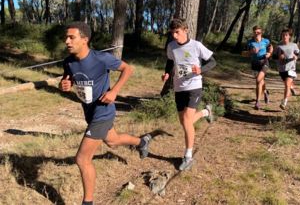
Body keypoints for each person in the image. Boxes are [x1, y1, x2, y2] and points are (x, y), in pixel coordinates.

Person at [59, 22, 152, 205]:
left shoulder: (101, 58)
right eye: (66, 38)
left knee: (82, 158)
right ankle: (143, 141)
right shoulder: (68, 62)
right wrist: (64, 85)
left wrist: (114, 91)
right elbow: (66, 80)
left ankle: (88, 202)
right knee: (113, 141)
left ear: (85, 40)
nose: (67, 41)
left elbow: (128, 68)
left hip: (103, 111)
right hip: (90, 112)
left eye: (72, 37)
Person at [161, 18, 216, 171]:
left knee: (186, 121)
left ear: (185, 30)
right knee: (185, 121)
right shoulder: (171, 46)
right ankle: (206, 111)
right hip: (179, 87)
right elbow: (170, 62)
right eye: (172, 33)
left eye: (177, 32)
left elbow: (212, 62)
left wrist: (201, 70)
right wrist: (166, 74)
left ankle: (188, 156)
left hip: (194, 86)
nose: (174, 36)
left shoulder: (196, 46)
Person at [246, 25, 273, 110]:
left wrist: (269, 53)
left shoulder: (266, 41)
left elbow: (271, 47)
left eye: (258, 32)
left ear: (261, 33)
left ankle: (257, 102)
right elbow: (244, 53)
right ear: (253, 33)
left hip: (264, 63)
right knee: (261, 81)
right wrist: (251, 51)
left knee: (258, 80)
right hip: (254, 64)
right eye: (255, 32)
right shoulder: (250, 42)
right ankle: (265, 92)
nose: (257, 34)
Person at [275, 28, 300, 110]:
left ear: (289, 36)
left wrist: (296, 56)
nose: (284, 36)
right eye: (283, 35)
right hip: (282, 69)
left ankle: (284, 102)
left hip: (291, 68)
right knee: (287, 85)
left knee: (287, 85)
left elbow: (297, 53)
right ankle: (291, 88)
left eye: (286, 35)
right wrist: (279, 57)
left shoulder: (294, 45)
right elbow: (273, 56)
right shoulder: (278, 45)